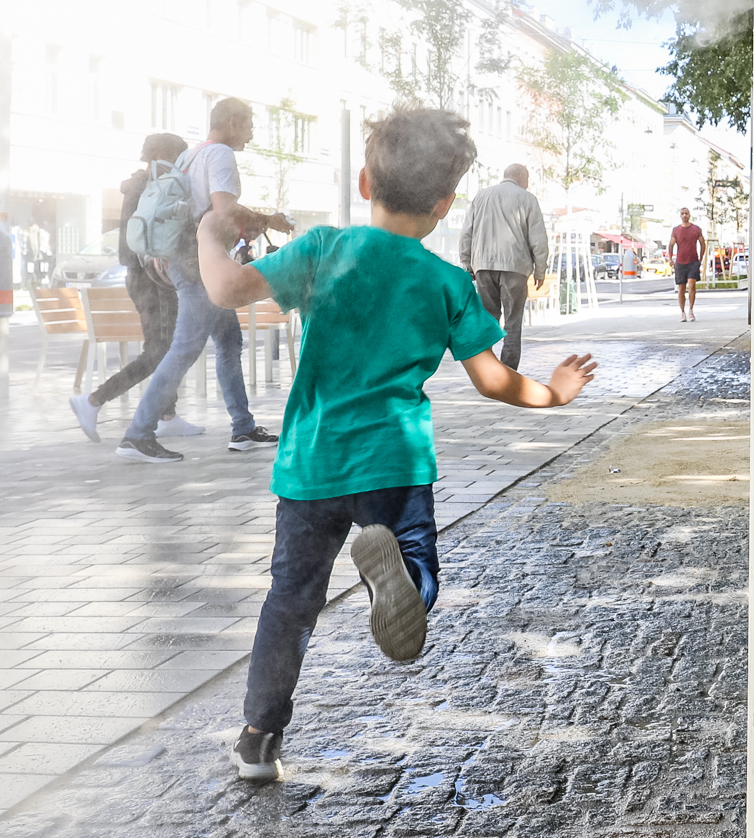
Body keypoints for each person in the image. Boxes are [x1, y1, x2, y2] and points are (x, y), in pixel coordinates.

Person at [195, 106, 597, 781]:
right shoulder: (446, 281)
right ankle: (405, 583)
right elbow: (493, 380)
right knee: (417, 566)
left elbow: (227, 288)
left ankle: (259, 738)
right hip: (395, 461)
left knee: (290, 600)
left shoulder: (323, 249)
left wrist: (210, 232)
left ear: (364, 182)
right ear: (444, 204)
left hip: (314, 461)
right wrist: (554, 393)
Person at [115, 98, 292, 463]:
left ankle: (243, 428)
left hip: (184, 258)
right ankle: (137, 434)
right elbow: (224, 210)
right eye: (249, 126)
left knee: (228, 340)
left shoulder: (189, 156)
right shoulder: (220, 155)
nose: (251, 134)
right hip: (200, 262)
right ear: (232, 122)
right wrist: (268, 220)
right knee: (184, 347)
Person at [69, 132, 199, 441]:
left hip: (141, 274)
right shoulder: (156, 185)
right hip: (152, 276)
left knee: (164, 346)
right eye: (179, 156)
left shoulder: (141, 184)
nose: (182, 163)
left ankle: (167, 415)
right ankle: (93, 401)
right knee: (159, 350)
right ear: (163, 154)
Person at [458, 163, 548, 372]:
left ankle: (485, 369)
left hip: (483, 265)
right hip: (515, 267)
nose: (528, 184)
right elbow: (538, 239)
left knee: (487, 321)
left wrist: (467, 262)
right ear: (520, 177)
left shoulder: (481, 196)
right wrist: (540, 269)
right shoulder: (528, 199)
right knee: (513, 323)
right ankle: (508, 371)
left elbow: (466, 232)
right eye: (527, 179)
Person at [669, 206, 704, 322]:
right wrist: (670, 258)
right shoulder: (676, 230)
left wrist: (701, 258)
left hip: (693, 261)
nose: (684, 215)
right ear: (680, 216)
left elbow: (702, 243)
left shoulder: (696, 229)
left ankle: (691, 310)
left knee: (692, 284)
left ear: (689, 215)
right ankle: (682, 312)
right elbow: (671, 244)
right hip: (680, 262)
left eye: (686, 213)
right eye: (683, 213)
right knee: (681, 288)